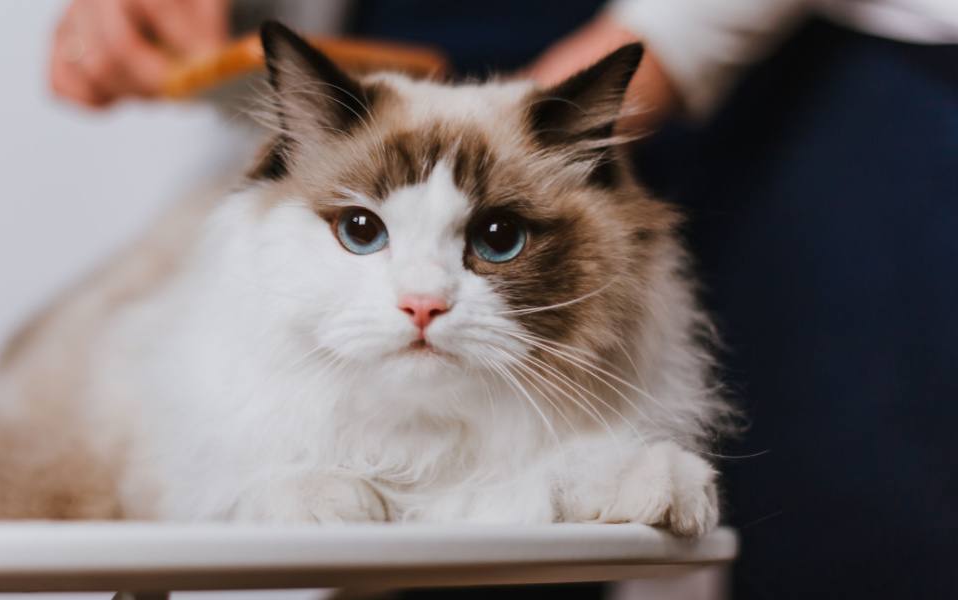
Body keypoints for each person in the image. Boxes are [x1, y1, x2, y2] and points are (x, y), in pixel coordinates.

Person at [47, 1, 958, 597]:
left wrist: (668, 40)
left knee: (840, 539)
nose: (422, 302)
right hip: (403, 39)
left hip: (797, 58)